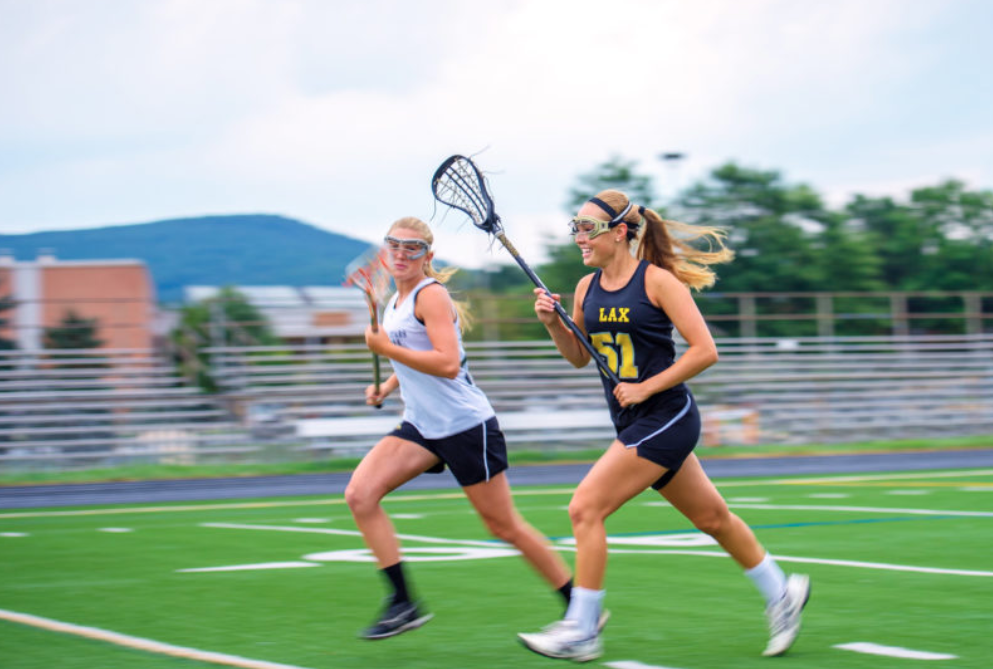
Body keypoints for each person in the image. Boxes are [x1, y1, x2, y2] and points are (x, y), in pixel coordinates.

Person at [517, 191, 810, 662]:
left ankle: (582, 628)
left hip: (666, 416)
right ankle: (781, 592)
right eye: (576, 227)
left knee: (585, 508)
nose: (579, 238)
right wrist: (553, 324)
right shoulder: (585, 288)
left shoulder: (657, 282)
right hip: (632, 421)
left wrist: (646, 387)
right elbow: (578, 357)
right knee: (712, 518)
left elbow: (705, 351)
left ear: (619, 232)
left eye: (588, 229)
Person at [345, 216, 575, 640]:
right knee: (360, 495)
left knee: (503, 526)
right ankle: (403, 603)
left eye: (412, 248)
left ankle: (579, 606)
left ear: (427, 256)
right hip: (422, 426)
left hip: (464, 426)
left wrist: (385, 347)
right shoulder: (395, 302)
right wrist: (387, 385)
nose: (401, 253)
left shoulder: (430, 295)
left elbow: (448, 364)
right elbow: (414, 353)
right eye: (394, 245)